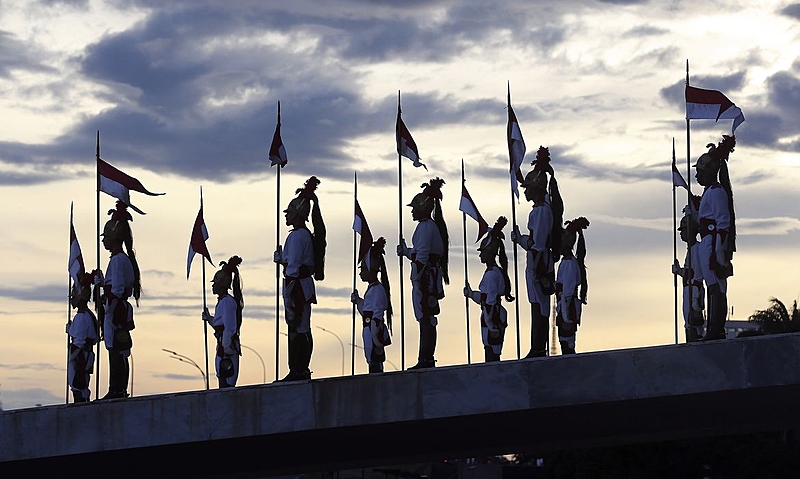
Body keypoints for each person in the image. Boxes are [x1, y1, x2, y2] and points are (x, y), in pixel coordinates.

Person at [511, 146, 563, 358]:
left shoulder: (542, 211)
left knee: (540, 307)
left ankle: (538, 348)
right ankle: (536, 346)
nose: (525, 191)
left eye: (528, 187)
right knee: (535, 304)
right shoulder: (539, 210)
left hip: (539, 264)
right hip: (536, 262)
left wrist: (521, 240)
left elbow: (538, 244)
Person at [274, 176, 326, 381]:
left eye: (289, 212)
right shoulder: (300, 235)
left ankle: (298, 368)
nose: (286, 215)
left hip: (296, 287)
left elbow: (293, 268)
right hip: (301, 285)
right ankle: (299, 368)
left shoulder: (298, 236)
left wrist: (283, 263)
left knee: (297, 327)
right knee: (300, 326)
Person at [397, 178, 449, 369]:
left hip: (425, 279)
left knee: (427, 318)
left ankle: (426, 357)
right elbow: (419, 252)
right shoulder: (424, 227)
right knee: (423, 317)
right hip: (424, 277)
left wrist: (417, 279)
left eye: (414, 208)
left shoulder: (426, 227)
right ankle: (424, 356)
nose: (412, 211)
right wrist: (406, 251)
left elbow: (423, 257)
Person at [94, 201, 139, 400]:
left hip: (116, 309)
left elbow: (118, 289)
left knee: (117, 349)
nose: (103, 241)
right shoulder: (118, 260)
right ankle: (117, 388)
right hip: (115, 307)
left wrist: (110, 310)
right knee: (117, 348)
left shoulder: (119, 260)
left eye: (106, 237)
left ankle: (117, 389)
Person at [694, 135, 736, 340]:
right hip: (706, 241)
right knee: (711, 285)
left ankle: (716, 328)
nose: (697, 175)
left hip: (713, 242)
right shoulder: (709, 192)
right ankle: (712, 326)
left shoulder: (717, 192)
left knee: (717, 286)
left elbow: (723, 224)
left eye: (699, 171)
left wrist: (719, 252)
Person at [463, 217, 514, 362]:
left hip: (493, 316)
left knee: (492, 351)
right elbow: (485, 298)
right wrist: (472, 294)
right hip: (491, 314)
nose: (480, 254)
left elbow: (489, 302)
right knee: (489, 348)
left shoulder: (492, 274)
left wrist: (491, 325)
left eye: (483, 251)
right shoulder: (492, 272)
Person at [351, 237, 393, 373]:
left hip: (373, 330)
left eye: (363, 268)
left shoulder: (378, 289)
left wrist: (375, 334)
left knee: (375, 358)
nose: (360, 272)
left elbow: (377, 314)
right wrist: (358, 301)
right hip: (368, 329)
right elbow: (366, 310)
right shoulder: (372, 289)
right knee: (370, 357)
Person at [203, 256, 244, 388]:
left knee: (227, 381)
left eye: (215, 283)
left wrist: (226, 345)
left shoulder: (227, 302)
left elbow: (229, 327)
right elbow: (219, 324)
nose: (213, 286)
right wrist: (209, 319)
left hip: (227, 347)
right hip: (222, 345)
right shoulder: (222, 301)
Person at [555, 217, 590, 354]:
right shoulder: (566, 262)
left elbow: (567, 293)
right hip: (565, 306)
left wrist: (565, 315)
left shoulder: (569, 263)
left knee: (567, 344)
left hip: (567, 308)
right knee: (564, 342)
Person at [672, 202, 705, 342]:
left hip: (694, 288)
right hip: (689, 288)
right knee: (688, 319)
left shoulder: (697, 249)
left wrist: (679, 271)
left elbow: (694, 272)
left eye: (684, 230)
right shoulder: (692, 249)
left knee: (693, 320)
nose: (681, 234)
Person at [67, 271, 99, 403]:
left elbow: (79, 342)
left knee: (78, 385)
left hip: (80, 357)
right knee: (81, 384)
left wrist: (71, 356)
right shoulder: (87, 315)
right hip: (86, 355)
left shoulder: (81, 317)